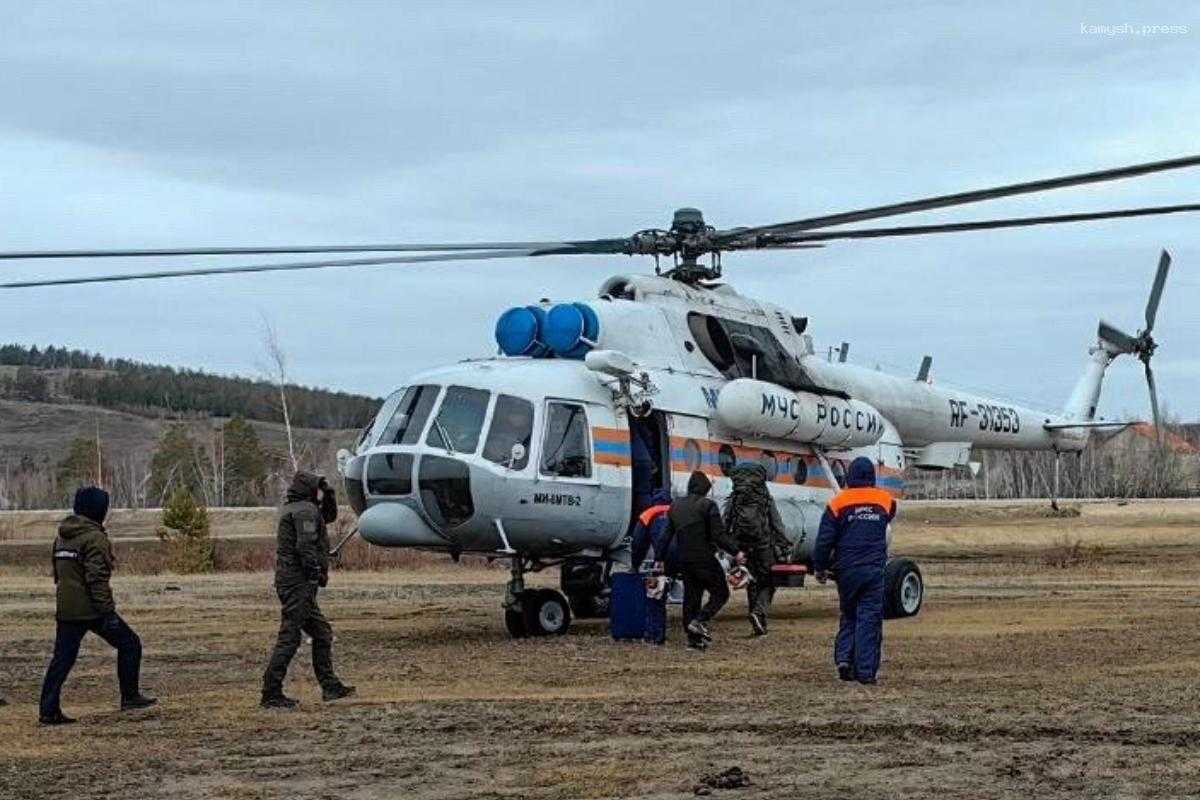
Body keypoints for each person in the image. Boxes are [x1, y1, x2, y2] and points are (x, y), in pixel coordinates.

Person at [39, 487, 156, 725]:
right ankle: (130, 696)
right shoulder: (95, 538)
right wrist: (107, 611)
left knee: (62, 659)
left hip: (67, 608)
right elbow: (97, 578)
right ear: (98, 509)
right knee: (130, 644)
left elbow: (58, 575)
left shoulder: (61, 536)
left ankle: (48, 709)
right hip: (92, 609)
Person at [261, 472, 355, 708]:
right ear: (310, 489)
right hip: (298, 582)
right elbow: (304, 545)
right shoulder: (304, 511)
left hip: (294, 581)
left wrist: (330, 494)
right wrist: (314, 573)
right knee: (290, 637)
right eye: (317, 487)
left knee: (322, 633)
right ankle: (271, 693)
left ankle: (330, 686)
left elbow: (329, 517)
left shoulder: (301, 508)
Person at [813, 457, 896, 685]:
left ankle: (844, 659)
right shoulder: (884, 500)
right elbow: (890, 514)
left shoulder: (837, 503)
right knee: (869, 619)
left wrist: (819, 567)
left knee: (849, 615)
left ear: (849, 477)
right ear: (872, 477)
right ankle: (866, 672)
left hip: (846, 571)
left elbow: (824, 540)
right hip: (873, 570)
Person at [657, 471, 743, 650]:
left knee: (691, 598)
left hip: (685, 560)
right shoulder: (708, 505)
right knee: (721, 593)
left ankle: (693, 641)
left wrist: (659, 558)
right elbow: (718, 536)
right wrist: (736, 552)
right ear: (705, 488)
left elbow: (664, 536)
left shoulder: (675, 506)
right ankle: (700, 620)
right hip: (704, 558)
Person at [724, 462, 789, 636]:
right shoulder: (765, 497)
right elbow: (777, 523)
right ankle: (759, 613)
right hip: (763, 544)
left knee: (750, 581)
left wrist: (728, 546)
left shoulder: (735, 497)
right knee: (768, 581)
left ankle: (757, 622)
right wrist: (784, 544)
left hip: (742, 545)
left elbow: (726, 520)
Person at [629, 488, 676, 644]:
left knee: (655, 595)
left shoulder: (649, 513)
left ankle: (655, 636)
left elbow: (638, 543)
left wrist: (635, 564)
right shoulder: (677, 511)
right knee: (692, 596)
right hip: (686, 558)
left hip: (662, 559)